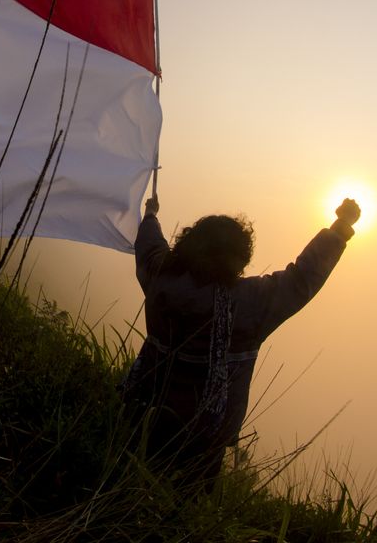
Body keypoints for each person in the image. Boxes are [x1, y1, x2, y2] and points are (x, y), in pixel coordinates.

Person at [121, 195, 360, 486]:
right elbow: (301, 279)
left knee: (132, 480)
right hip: (207, 436)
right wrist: (341, 226)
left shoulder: (159, 279)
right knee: (187, 501)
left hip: (146, 412)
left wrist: (150, 214)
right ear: (239, 256)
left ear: (188, 244)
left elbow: (149, 246)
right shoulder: (249, 304)